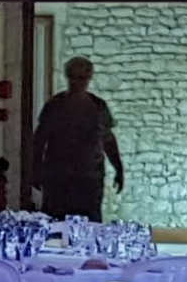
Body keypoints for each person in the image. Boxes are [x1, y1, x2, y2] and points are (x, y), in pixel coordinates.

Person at [26, 56, 125, 219]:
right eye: (73, 77)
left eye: (82, 78)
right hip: (58, 179)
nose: (77, 82)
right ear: (67, 77)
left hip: (89, 180)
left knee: (89, 224)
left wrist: (119, 168)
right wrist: (35, 171)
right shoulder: (54, 106)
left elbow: (108, 140)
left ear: (89, 78)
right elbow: (39, 140)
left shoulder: (98, 107)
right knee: (55, 223)